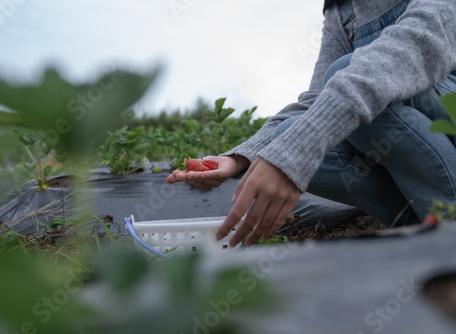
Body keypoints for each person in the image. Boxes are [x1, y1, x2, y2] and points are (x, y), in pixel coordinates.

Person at [167, 0, 456, 247]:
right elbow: (316, 98)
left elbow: (414, 46)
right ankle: (414, 219)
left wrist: (298, 151)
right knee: (288, 133)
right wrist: (238, 158)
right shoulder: (342, 10)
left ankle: (449, 216)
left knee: (349, 78)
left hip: (446, 112)